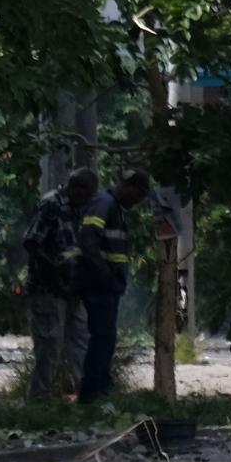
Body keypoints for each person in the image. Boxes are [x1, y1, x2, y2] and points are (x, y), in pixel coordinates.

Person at [75, 169, 151, 404]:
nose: (135, 203)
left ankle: (100, 389)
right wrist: (106, 274)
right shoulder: (104, 203)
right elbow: (88, 239)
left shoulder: (113, 207)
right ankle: (92, 394)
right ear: (127, 186)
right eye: (136, 196)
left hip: (107, 285)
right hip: (99, 285)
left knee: (105, 338)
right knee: (102, 337)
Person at [24, 168, 98, 400]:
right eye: (84, 193)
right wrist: (54, 267)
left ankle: (86, 396)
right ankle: (39, 398)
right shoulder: (51, 205)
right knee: (49, 346)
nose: (86, 199)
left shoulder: (82, 208)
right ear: (73, 186)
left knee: (80, 343)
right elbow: (31, 242)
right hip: (47, 289)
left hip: (73, 289)